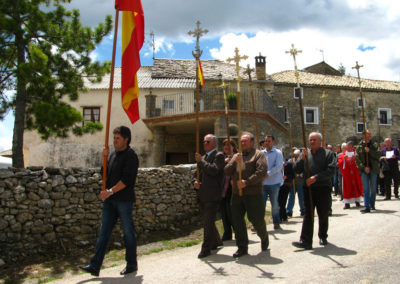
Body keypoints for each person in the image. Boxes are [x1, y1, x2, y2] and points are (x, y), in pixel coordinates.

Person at [80, 126, 139, 276]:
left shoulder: (131, 156)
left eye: (118, 138)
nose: (114, 141)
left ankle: (132, 264)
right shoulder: (112, 155)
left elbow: (126, 180)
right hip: (110, 201)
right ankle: (95, 266)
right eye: (114, 138)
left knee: (128, 233)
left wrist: (110, 191)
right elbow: (104, 174)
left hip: (124, 201)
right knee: (103, 232)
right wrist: (104, 158)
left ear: (126, 139)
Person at [224, 132, 269, 258]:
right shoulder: (236, 156)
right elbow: (226, 171)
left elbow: (261, 171)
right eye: (241, 141)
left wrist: (247, 182)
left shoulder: (258, 154)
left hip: (253, 194)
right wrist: (234, 162)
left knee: (256, 219)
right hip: (237, 194)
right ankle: (242, 247)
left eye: (245, 141)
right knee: (237, 220)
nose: (242, 143)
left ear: (252, 142)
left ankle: (263, 235)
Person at [292, 132, 335, 250]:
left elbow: (331, 170)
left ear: (320, 141)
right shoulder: (305, 154)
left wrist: (315, 177)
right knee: (308, 214)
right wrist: (302, 159)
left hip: (323, 187)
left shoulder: (328, 154)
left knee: (322, 213)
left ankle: (323, 236)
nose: (312, 142)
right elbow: (296, 169)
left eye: (314, 140)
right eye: (310, 140)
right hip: (308, 188)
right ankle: (305, 240)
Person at [194, 134, 225, 258]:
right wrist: (195, 182)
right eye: (203, 142)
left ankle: (206, 248)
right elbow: (196, 174)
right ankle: (216, 241)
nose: (204, 143)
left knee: (207, 222)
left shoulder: (219, 156)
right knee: (208, 221)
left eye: (207, 141)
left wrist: (201, 161)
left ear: (214, 143)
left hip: (212, 195)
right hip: (202, 193)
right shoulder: (203, 157)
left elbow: (214, 170)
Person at [262, 135, 284, 230]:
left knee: (274, 204)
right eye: (266, 141)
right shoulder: (261, 153)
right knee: (261, 204)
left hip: (274, 183)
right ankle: (260, 224)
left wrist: (268, 174)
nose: (267, 143)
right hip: (263, 183)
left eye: (269, 141)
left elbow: (278, 166)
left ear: (273, 142)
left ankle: (276, 222)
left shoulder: (278, 153)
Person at [355, 130, 380, 213]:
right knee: (366, 189)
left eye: (370, 134)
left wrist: (370, 151)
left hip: (373, 169)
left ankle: (372, 204)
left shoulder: (375, 144)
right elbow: (357, 159)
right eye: (367, 134)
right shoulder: (359, 146)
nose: (369, 135)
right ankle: (367, 206)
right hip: (364, 170)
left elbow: (378, 155)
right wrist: (364, 167)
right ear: (363, 135)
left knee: (373, 189)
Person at [220, 138, 238, 241]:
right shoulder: (221, 157)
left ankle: (238, 232)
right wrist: (224, 162)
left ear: (233, 147)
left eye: (229, 145)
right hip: (223, 189)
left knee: (232, 213)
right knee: (224, 213)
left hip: (232, 188)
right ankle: (227, 233)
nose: (226, 147)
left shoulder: (237, 156)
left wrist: (232, 161)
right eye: (225, 145)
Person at [338, 141, 363, 209]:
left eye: (350, 147)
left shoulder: (356, 154)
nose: (349, 148)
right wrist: (344, 160)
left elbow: (360, 161)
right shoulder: (343, 155)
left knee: (356, 186)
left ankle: (357, 201)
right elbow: (340, 163)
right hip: (347, 175)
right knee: (347, 187)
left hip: (355, 174)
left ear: (352, 147)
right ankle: (347, 203)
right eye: (347, 147)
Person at [286, 149, 305, 217]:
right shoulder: (290, 161)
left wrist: (300, 175)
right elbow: (288, 170)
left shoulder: (303, 161)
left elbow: (304, 170)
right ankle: (289, 211)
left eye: (297, 155)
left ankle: (303, 210)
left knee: (301, 197)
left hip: (300, 182)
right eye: (295, 155)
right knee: (291, 197)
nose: (296, 156)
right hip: (293, 182)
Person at [279, 155, 294, 222]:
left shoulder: (288, 164)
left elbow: (293, 175)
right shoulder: (276, 165)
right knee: (279, 201)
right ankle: (284, 216)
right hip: (277, 185)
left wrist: (286, 176)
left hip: (286, 185)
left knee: (283, 201)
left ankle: (280, 217)